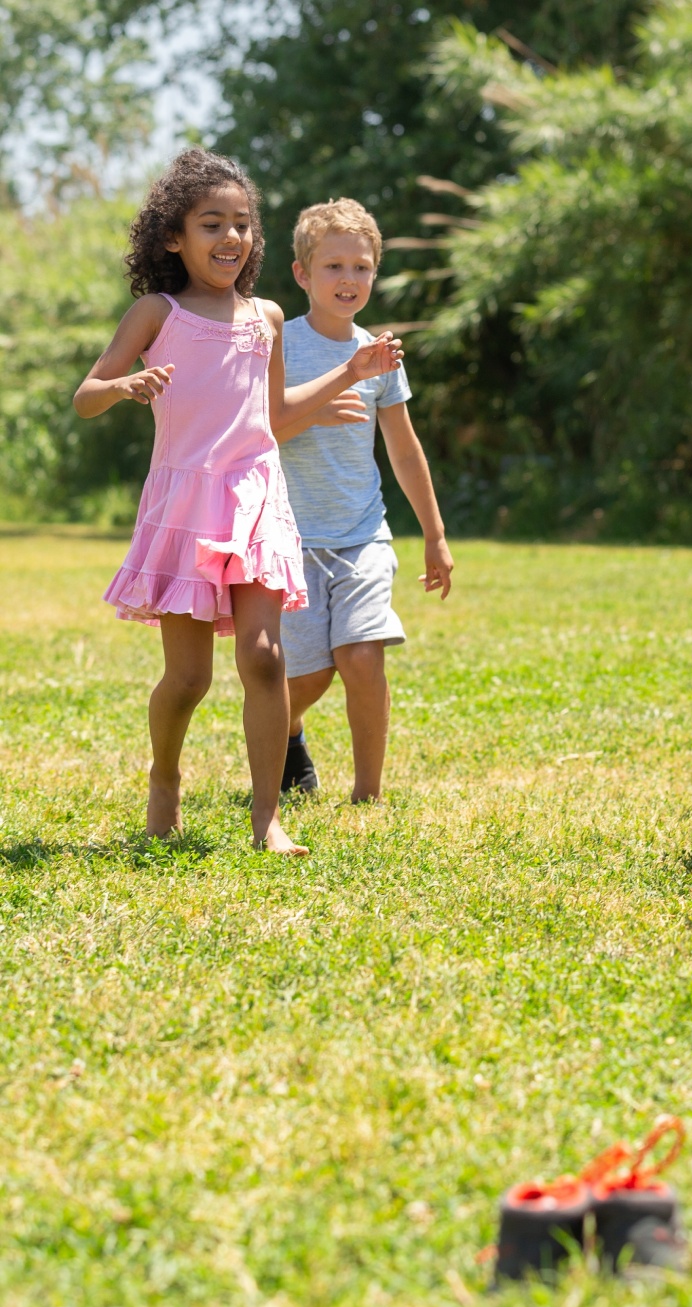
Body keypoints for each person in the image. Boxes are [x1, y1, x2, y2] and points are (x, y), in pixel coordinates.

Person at [76, 149, 403, 855]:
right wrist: (123, 388)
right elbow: (85, 397)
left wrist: (352, 370)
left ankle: (267, 820)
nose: (231, 237)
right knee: (187, 679)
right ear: (174, 236)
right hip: (186, 506)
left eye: (243, 224)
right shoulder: (155, 313)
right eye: (211, 224)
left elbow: (272, 417)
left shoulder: (267, 317)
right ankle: (165, 778)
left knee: (264, 659)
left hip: (256, 498)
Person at [274, 198, 454, 802]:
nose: (348, 279)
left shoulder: (381, 356)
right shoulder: (280, 344)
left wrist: (434, 533)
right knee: (309, 673)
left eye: (361, 267)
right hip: (289, 538)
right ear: (303, 274)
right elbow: (260, 429)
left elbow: (404, 450)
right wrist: (318, 409)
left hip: (361, 532)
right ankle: (284, 731)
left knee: (360, 655)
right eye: (333, 267)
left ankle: (367, 794)